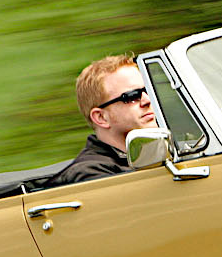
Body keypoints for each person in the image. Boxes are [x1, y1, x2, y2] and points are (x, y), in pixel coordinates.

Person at [57, 53, 159, 185]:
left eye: (148, 90)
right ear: (101, 118)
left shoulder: (158, 153)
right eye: (132, 96)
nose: (147, 100)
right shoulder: (91, 174)